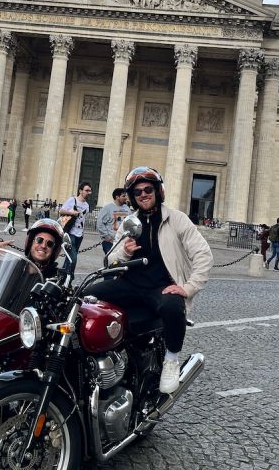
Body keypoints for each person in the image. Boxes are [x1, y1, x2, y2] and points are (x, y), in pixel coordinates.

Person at [90, 167, 212, 394]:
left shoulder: (176, 220)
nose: (143, 194)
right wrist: (124, 252)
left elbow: (204, 255)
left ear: (157, 191)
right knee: (86, 294)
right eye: (137, 192)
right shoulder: (129, 223)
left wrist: (188, 288)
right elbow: (110, 262)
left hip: (161, 287)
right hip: (131, 285)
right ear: (132, 197)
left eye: (148, 189)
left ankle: (172, 360)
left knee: (174, 306)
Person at [0, 218, 65, 280]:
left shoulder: (57, 278)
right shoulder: (11, 268)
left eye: (50, 244)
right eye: (39, 240)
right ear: (30, 242)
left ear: (54, 250)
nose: (43, 245)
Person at [58, 182, 92, 262]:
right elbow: (61, 211)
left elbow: (83, 219)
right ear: (80, 191)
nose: (89, 193)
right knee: (73, 257)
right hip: (70, 231)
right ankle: (70, 274)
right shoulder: (72, 200)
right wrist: (72, 213)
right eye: (87, 190)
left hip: (79, 233)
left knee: (71, 255)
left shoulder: (87, 205)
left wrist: (83, 231)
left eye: (90, 191)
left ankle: (65, 273)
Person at [97, 188, 130, 255]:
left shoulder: (127, 208)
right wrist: (107, 237)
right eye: (123, 196)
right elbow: (100, 223)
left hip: (123, 242)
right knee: (111, 263)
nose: (126, 198)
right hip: (110, 242)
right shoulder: (107, 208)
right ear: (117, 197)